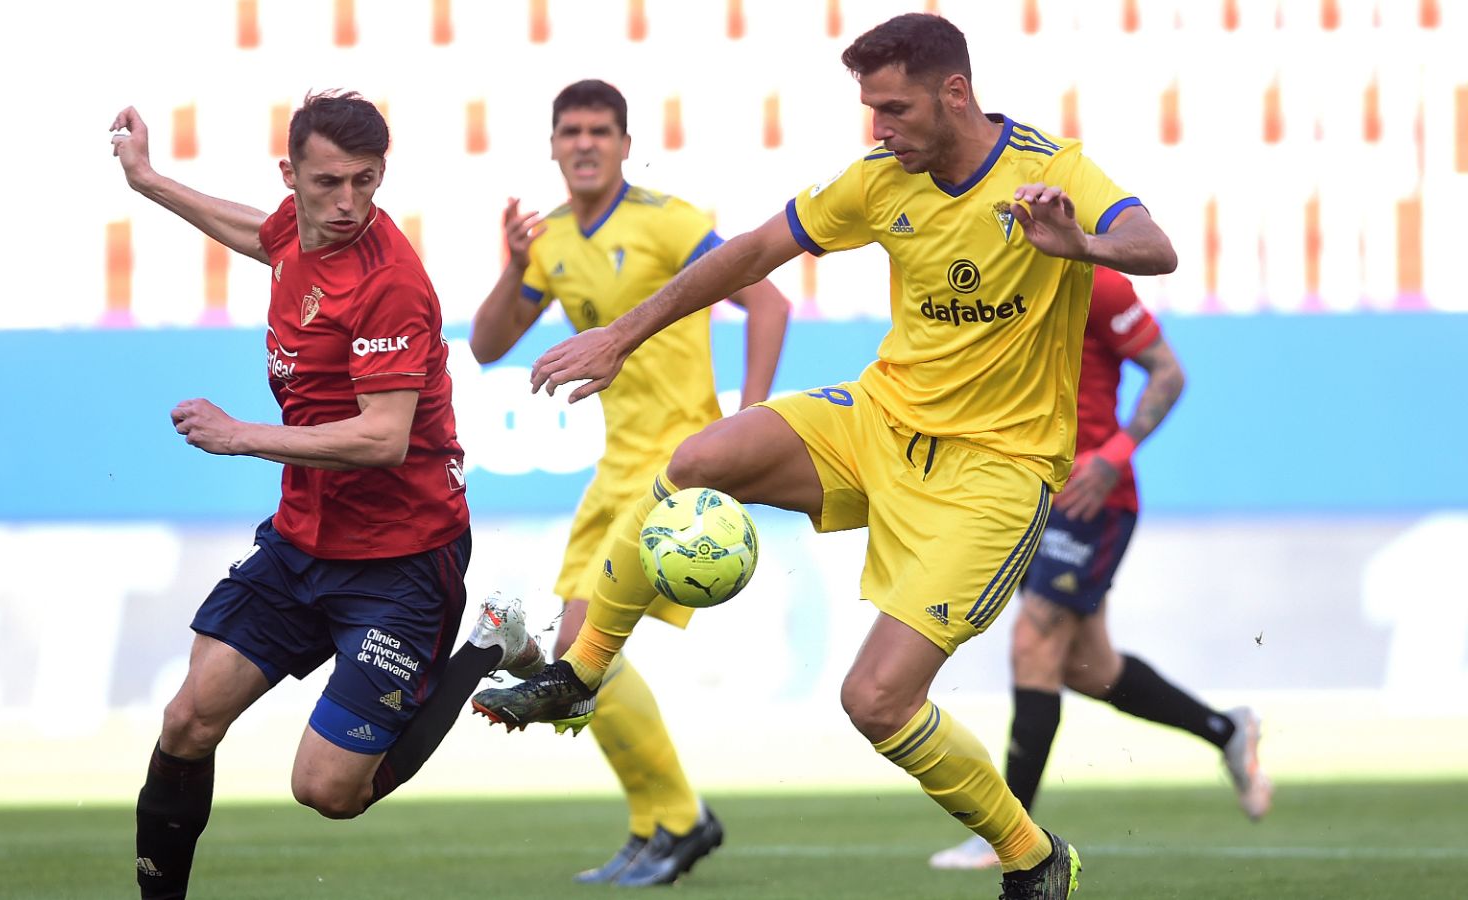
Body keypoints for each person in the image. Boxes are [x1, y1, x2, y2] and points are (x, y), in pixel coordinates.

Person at [472, 13, 1179, 899]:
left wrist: (1080, 245)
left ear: (953, 93)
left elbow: (1156, 246)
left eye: (892, 108)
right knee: (700, 457)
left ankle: (1033, 857)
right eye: (870, 109)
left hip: (994, 474)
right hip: (881, 420)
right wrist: (621, 333)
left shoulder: (1051, 169)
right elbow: (756, 253)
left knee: (876, 702)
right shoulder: (881, 181)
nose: (877, 129)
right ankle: (580, 675)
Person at [110, 91, 544, 900]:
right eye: (328, 184)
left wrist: (241, 435)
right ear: (292, 177)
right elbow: (258, 233)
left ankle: (488, 639)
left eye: (366, 182)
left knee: (328, 791)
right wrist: (149, 182)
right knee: (188, 720)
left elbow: (381, 440)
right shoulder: (294, 228)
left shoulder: (391, 285)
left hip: (402, 558)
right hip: (304, 540)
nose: (348, 204)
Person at [469, 79, 791, 887]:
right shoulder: (549, 241)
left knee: (580, 655)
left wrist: (744, 431)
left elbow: (770, 302)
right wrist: (514, 267)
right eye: (570, 130)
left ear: (623, 143)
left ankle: (677, 819)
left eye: (600, 130)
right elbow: (486, 344)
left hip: (678, 465)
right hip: (613, 469)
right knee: (570, 662)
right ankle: (659, 826)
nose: (584, 143)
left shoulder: (668, 221)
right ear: (552, 145)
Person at [928, 268, 1273, 870]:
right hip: (1025, 493)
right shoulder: (985, 277)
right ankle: (1227, 729)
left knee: (1034, 643)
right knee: (1091, 670)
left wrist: (1115, 456)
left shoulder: (1099, 284)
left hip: (1089, 498)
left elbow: (1169, 372)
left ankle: (1009, 835)